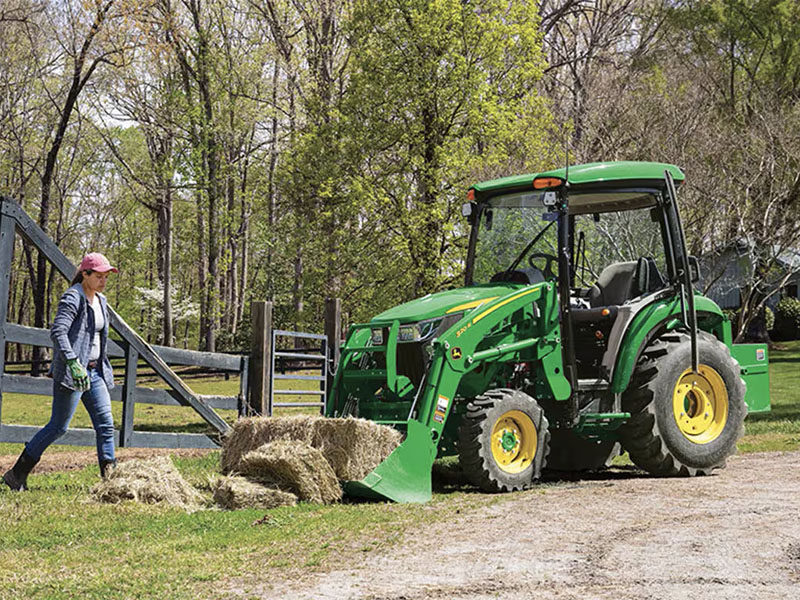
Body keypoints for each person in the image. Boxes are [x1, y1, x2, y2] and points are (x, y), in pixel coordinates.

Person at [2, 252, 119, 491]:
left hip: (95, 373)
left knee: (106, 426)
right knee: (59, 426)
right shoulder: (72, 297)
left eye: (106, 276)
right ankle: (17, 474)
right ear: (85, 275)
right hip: (73, 373)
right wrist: (74, 363)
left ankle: (111, 484)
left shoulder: (101, 300)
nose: (103, 281)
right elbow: (58, 332)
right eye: (99, 276)